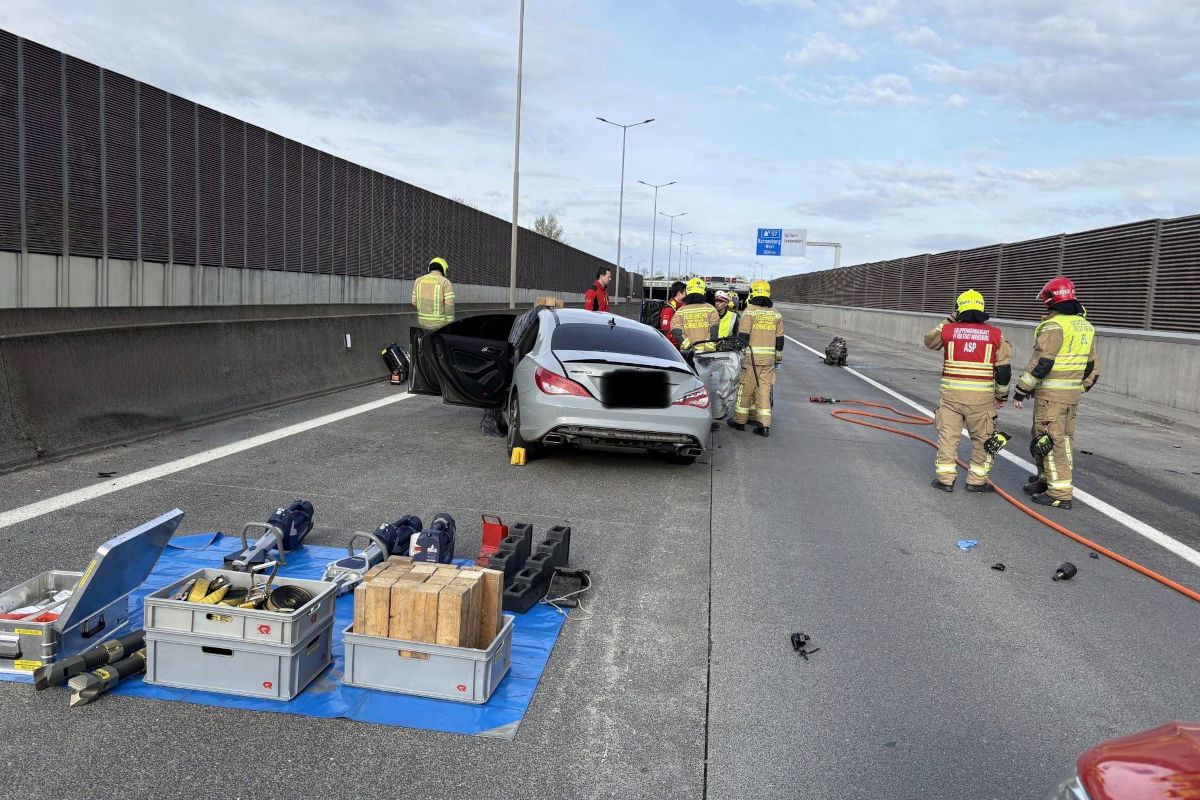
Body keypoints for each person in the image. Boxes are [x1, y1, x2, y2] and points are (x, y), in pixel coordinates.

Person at [1013, 277, 1100, 510]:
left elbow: (1043, 362)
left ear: (1051, 300)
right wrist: (1077, 387)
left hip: (1051, 396)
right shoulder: (1084, 325)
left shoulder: (1054, 326)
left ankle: (1059, 492)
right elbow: (1092, 367)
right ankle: (1046, 479)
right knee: (1060, 439)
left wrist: (1022, 390)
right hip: (1070, 396)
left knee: (1049, 441)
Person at [923, 290, 1013, 493]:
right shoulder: (996, 334)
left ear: (958, 309)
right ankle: (976, 481)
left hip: (951, 396)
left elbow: (930, 342)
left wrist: (948, 319)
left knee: (948, 436)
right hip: (981, 399)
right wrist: (1002, 395)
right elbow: (1003, 370)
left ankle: (945, 480)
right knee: (982, 439)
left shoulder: (948, 330)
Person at [728, 280, 783, 437]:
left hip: (751, 359)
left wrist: (740, 357)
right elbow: (780, 340)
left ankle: (739, 421)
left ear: (753, 293)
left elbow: (743, 337)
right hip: (769, 361)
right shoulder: (776, 313)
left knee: (745, 389)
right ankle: (763, 425)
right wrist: (777, 359)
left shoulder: (749, 311)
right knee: (764, 391)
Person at [670, 278, 720, 353]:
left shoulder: (680, 311)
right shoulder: (711, 309)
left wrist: (690, 349)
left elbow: (677, 333)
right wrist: (707, 349)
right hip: (707, 355)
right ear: (703, 291)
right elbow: (713, 332)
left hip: (687, 355)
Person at [412, 257, 455, 330]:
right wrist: (450, 324)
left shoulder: (418, 281)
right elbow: (449, 306)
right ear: (443, 269)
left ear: (430, 268)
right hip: (440, 325)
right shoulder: (445, 282)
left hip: (422, 324)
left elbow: (414, 302)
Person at [660, 281, 686, 349]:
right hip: (673, 347)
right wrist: (671, 349)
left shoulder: (681, 306)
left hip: (680, 344)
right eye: (685, 293)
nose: (686, 295)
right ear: (679, 294)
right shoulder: (669, 309)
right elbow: (667, 331)